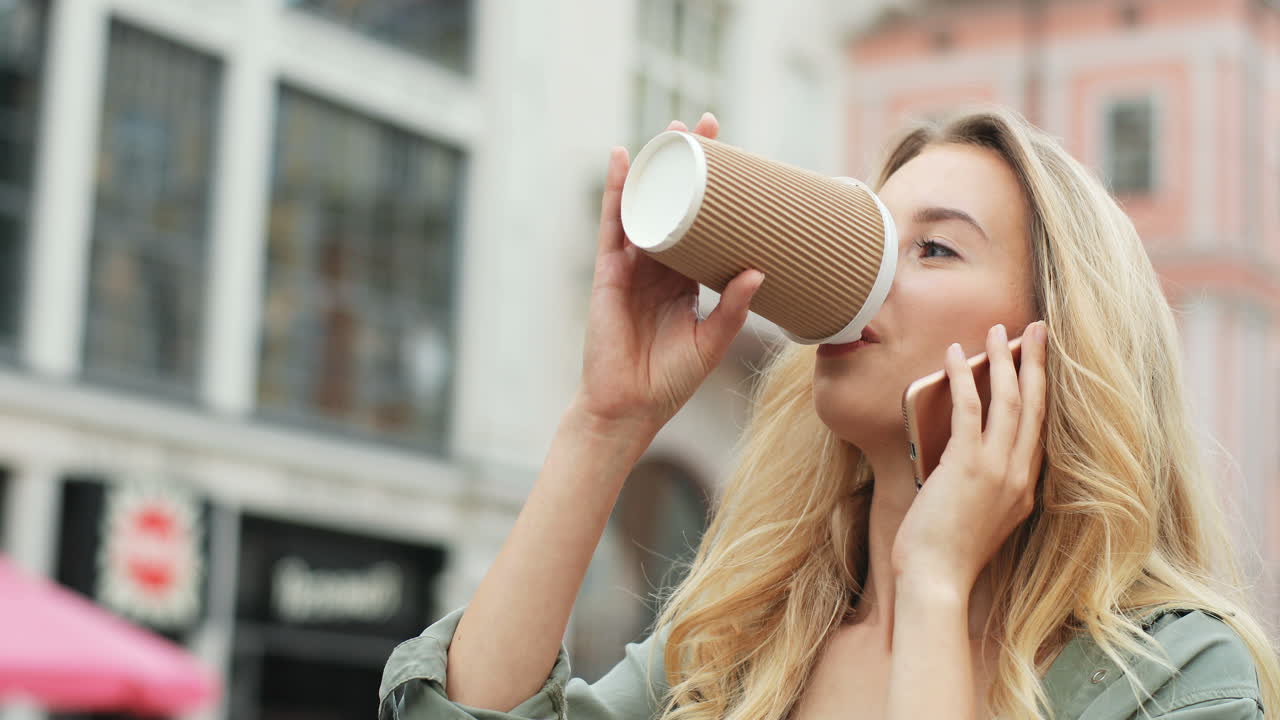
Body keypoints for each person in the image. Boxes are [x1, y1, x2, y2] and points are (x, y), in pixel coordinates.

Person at [378, 106, 1280, 719]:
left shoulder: (1170, 676)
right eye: (866, 241)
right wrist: (605, 422)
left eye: (930, 248)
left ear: (1057, 339)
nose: (863, 278)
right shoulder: (743, 645)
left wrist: (934, 584)